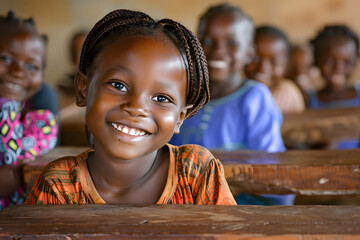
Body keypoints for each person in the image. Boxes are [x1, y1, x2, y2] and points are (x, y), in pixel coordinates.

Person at [25, 9, 236, 205]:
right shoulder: (60, 185)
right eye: (119, 85)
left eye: (161, 98)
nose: (136, 107)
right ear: (83, 89)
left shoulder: (196, 173)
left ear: (180, 117)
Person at [170, 3, 294, 205]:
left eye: (232, 43)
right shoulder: (184, 95)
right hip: (183, 207)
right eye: (208, 40)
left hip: (245, 208)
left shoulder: (254, 98)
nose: (218, 50)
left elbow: (271, 171)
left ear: (250, 53)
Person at [0, 11, 58, 209]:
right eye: (6, 59)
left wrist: (16, 176)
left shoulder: (40, 122)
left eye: (31, 66)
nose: (18, 72)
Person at [308, 25, 360, 149]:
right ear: (316, 61)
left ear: (355, 62)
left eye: (347, 62)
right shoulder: (308, 100)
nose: (338, 67)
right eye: (330, 61)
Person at [245, 25, 305, 113]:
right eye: (255, 58)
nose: (262, 68)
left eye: (273, 62)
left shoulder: (287, 93)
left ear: (287, 65)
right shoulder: (237, 90)